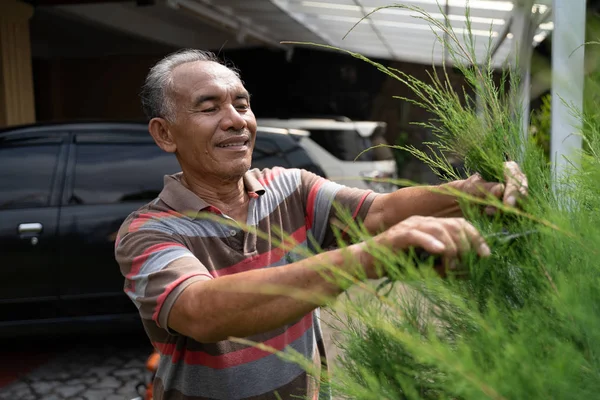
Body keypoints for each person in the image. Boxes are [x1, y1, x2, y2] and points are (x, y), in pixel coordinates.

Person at [115, 49, 528, 400]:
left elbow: (380, 213)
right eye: (209, 108)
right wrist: (369, 257)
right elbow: (203, 311)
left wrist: (471, 193)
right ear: (165, 134)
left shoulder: (290, 188)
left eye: (242, 104)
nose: (236, 120)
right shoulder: (148, 232)